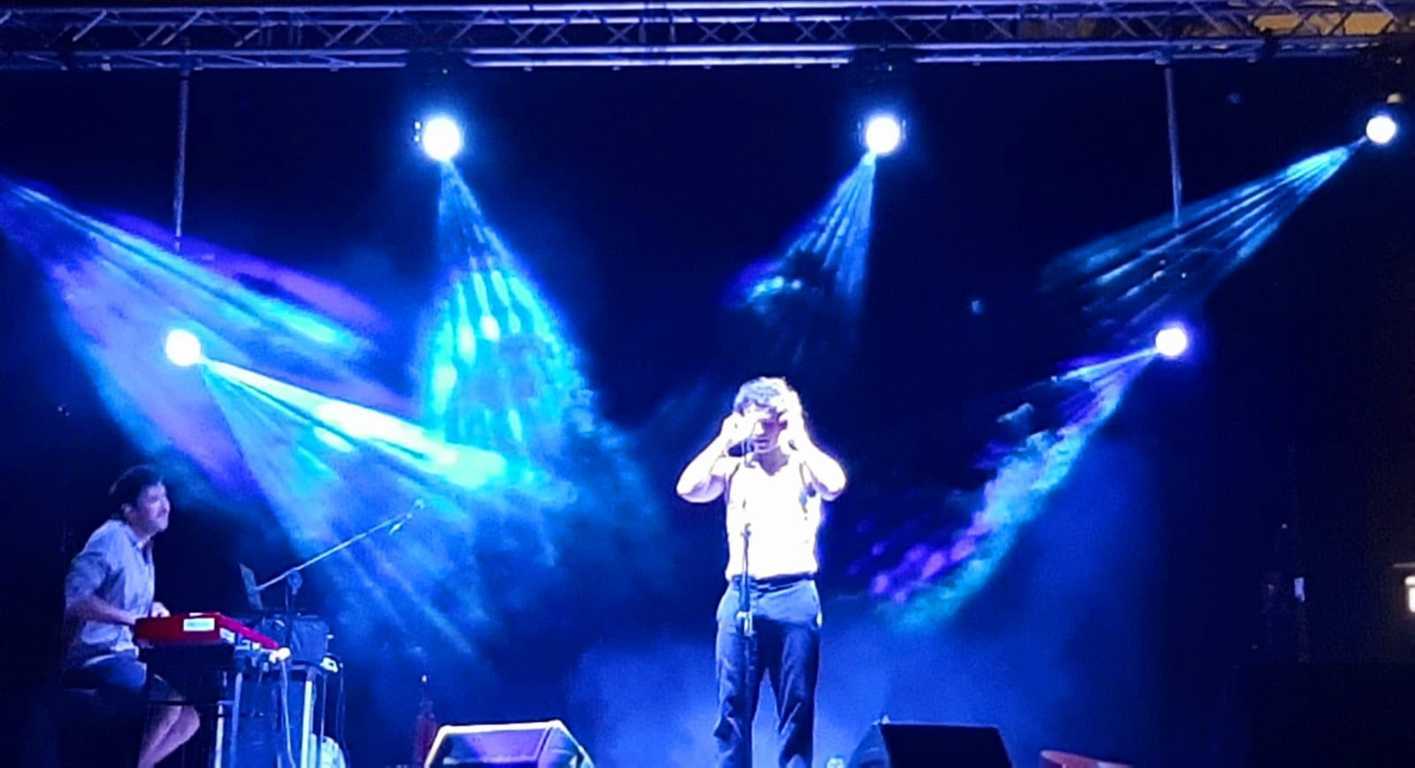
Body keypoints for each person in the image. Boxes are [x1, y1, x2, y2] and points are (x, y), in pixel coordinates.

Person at [677, 377, 847, 768]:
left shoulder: (804, 467)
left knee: (796, 704)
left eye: (767, 423)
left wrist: (801, 438)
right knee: (733, 705)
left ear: (783, 422)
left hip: (794, 596)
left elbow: (835, 484)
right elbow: (688, 489)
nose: (758, 433)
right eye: (751, 422)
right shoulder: (733, 469)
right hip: (743, 596)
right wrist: (723, 440)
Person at [62, 465, 199, 768]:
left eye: (165, 497)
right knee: (169, 704)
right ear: (129, 510)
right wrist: (133, 620)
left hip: (124, 654)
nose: (165, 507)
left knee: (189, 718)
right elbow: (74, 599)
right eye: (154, 499)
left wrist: (153, 608)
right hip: (95, 656)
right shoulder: (110, 538)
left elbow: (127, 600)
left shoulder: (143, 548)